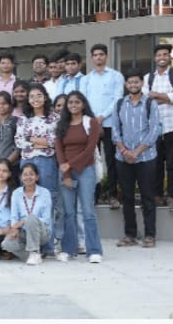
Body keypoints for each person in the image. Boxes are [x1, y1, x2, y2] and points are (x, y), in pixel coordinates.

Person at [111, 69, 161, 249]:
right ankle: (130, 234)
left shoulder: (150, 104)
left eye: (136, 82)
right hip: (123, 158)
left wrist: (137, 152)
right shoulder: (119, 104)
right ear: (126, 85)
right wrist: (125, 151)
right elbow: (115, 130)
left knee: (148, 196)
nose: (133, 85)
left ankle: (149, 235)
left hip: (146, 158)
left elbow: (154, 130)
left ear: (142, 83)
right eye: (130, 82)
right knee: (127, 197)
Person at [55, 91, 104, 263]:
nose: (73, 105)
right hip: (66, 172)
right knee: (69, 212)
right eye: (70, 102)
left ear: (83, 104)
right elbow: (59, 150)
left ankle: (94, 251)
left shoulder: (91, 122)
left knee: (88, 211)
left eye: (77, 102)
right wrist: (66, 172)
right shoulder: (62, 124)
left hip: (86, 170)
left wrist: (70, 164)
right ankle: (69, 249)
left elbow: (90, 150)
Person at [14, 83, 58, 255]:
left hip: (47, 162)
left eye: (39, 95)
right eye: (32, 96)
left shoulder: (54, 118)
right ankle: (30, 243)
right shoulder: (23, 118)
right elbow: (19, 141)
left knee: (48, 200)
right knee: (28, 200)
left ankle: (48, 246)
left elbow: (54, 141)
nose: (35, 99)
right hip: (27, 161)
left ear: (45, 97)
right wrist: (41, 142)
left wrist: (31, 139)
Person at [79, 44, 124, 210]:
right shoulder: (86, 79)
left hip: (110, 123)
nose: (98, 57)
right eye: (95, 55)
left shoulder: (116, 76)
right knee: (91, 160)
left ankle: (112, 195)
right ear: (92, 58)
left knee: (111, 160)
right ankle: (94, 195)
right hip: (91, 125)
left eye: (101, 54)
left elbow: (117, 99)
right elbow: (83, 101)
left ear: (106, 56)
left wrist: (102, 116)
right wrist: (93, 119)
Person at [142, 44, 173, 212]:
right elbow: (146, 98)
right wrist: (168, 99)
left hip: (172, 125)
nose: (162, 57)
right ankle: (158, 195)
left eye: (165, 54)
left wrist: (156, 95)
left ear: (169, 57)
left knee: (172, 163)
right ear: (155, 58)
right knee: (156, 163)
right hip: (154, 127)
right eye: (159, 55)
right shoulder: (148, 78)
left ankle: (171, 196)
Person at [1, 163, 53, 266]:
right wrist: (15, 228)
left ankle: (34, 251)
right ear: (21, 178)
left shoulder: (45, 193)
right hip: (23, 232)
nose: (28, 177)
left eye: (31, 174)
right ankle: (34, 256)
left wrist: (24, 221)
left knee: (30, 218)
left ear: (37, 177)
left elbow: (47, 219)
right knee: (6, 244)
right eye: (25, 174)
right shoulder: (16, 193)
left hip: (42, 232)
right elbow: (14, 216)